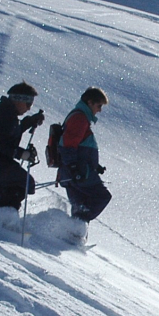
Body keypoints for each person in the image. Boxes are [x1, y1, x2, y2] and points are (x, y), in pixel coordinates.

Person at [0, 82, 44, 208]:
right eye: (29, 103)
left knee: (10, 190)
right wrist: (21, 153)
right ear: (19, 100)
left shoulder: (6, 112)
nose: (29, 108)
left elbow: (10, 132)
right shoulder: (4, 114)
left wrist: (30, 121)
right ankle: (3, 218)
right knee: (24, 183)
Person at [59, 87, 112, 222]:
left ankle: (71, 236)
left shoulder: (80, 117)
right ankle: (77, 228)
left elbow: (80, 147)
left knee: (80, 206)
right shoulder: (79, 118)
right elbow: (68, 145)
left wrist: (95, 166)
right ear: (90, 102)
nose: (99, 110)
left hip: (74, 172)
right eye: (99, 105)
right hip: (79, 174)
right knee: (102, 197)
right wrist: (74, 168)